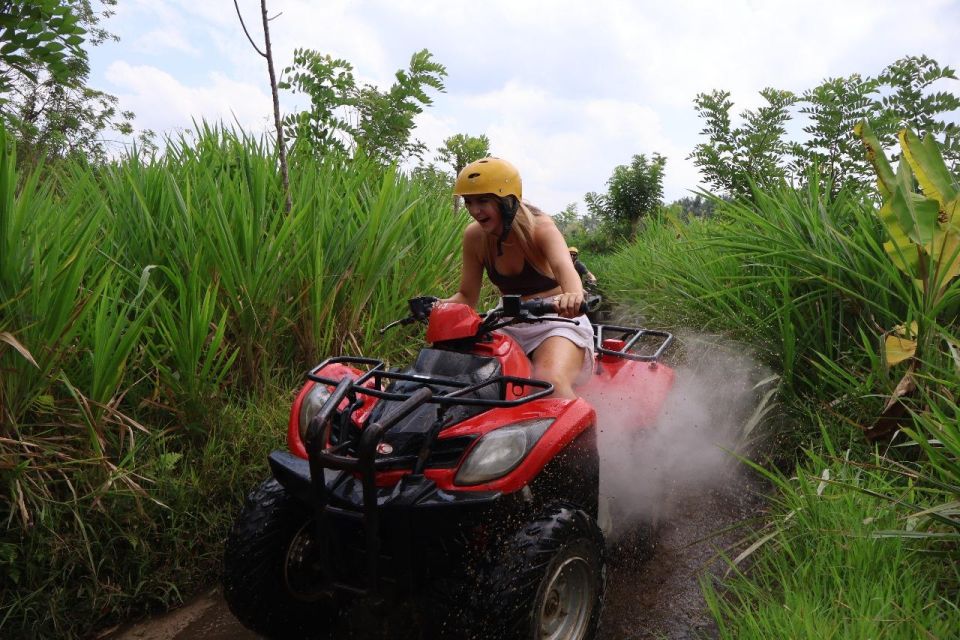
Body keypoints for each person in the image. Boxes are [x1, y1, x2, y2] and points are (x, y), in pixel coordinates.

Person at [442, 157, 593, 399]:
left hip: (557, 321)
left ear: (507, 201)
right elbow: (467, 296)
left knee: (548, 380)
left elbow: (565, 267)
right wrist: (437, 307)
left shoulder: (541, 228)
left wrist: (573, 297)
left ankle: (584, 437)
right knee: (468, 381)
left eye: (483, 200)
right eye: (468, 202)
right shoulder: (474, 236)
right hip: (507, 321)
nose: (474, 210)